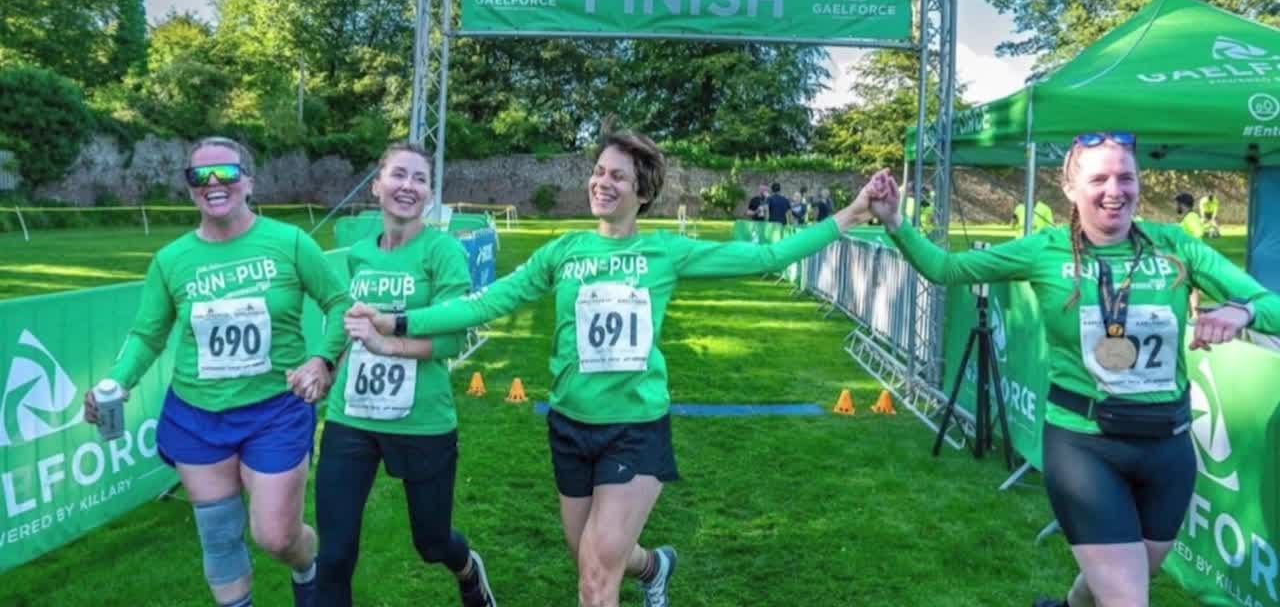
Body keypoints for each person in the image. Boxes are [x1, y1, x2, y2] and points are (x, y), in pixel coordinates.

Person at [346, 132, 875, 607]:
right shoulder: (564, 252)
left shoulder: (665, 252)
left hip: (635, 429)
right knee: (592, 556)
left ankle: (638, 569)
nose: (602, 182)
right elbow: (484, 304)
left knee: (596, 582)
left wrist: (849, 213)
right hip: (571, 424)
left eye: (616, 175)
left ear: (642, 192)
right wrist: (399, 320)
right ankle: (655, 565)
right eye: (599, 171)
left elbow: (764, 260)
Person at [862, 132, 1280, 607]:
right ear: (1069, 187)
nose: (1114, 190)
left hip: (1168, 448)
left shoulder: (1176, 247)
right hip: (1085, 446)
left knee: (1125, 577)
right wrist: (895, 221)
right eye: (1099, 178)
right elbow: (945, 269)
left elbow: (1270, 304)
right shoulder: (1043, 250)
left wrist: (1242, 313)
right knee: (1127, 598)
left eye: (1126, 177)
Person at [83, 136, 350, 607]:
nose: (212, 184)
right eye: (198, 176)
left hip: (274, 411)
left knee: (275, 536)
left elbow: (339, 302)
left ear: (248, 180)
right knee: (220, 539)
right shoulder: (171, 260)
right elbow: (147, 335)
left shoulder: (288, 242)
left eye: (225, 173)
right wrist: (116, 381)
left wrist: (323, 359)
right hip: (197, 415)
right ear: (189, 189)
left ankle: (308, 570)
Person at [315, 142, 496, 607]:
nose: (407, 186)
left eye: (419, 179)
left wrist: (387, 343)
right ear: (377, 186)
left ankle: (468, 567)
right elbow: (345, 317)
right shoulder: (357, 254)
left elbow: (456, 336)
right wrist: (324, 361)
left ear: (430, 195)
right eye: (398, 175)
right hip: (351, 416)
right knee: (333, 555)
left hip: (422, 420)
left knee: (432, 543)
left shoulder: (442, 252)